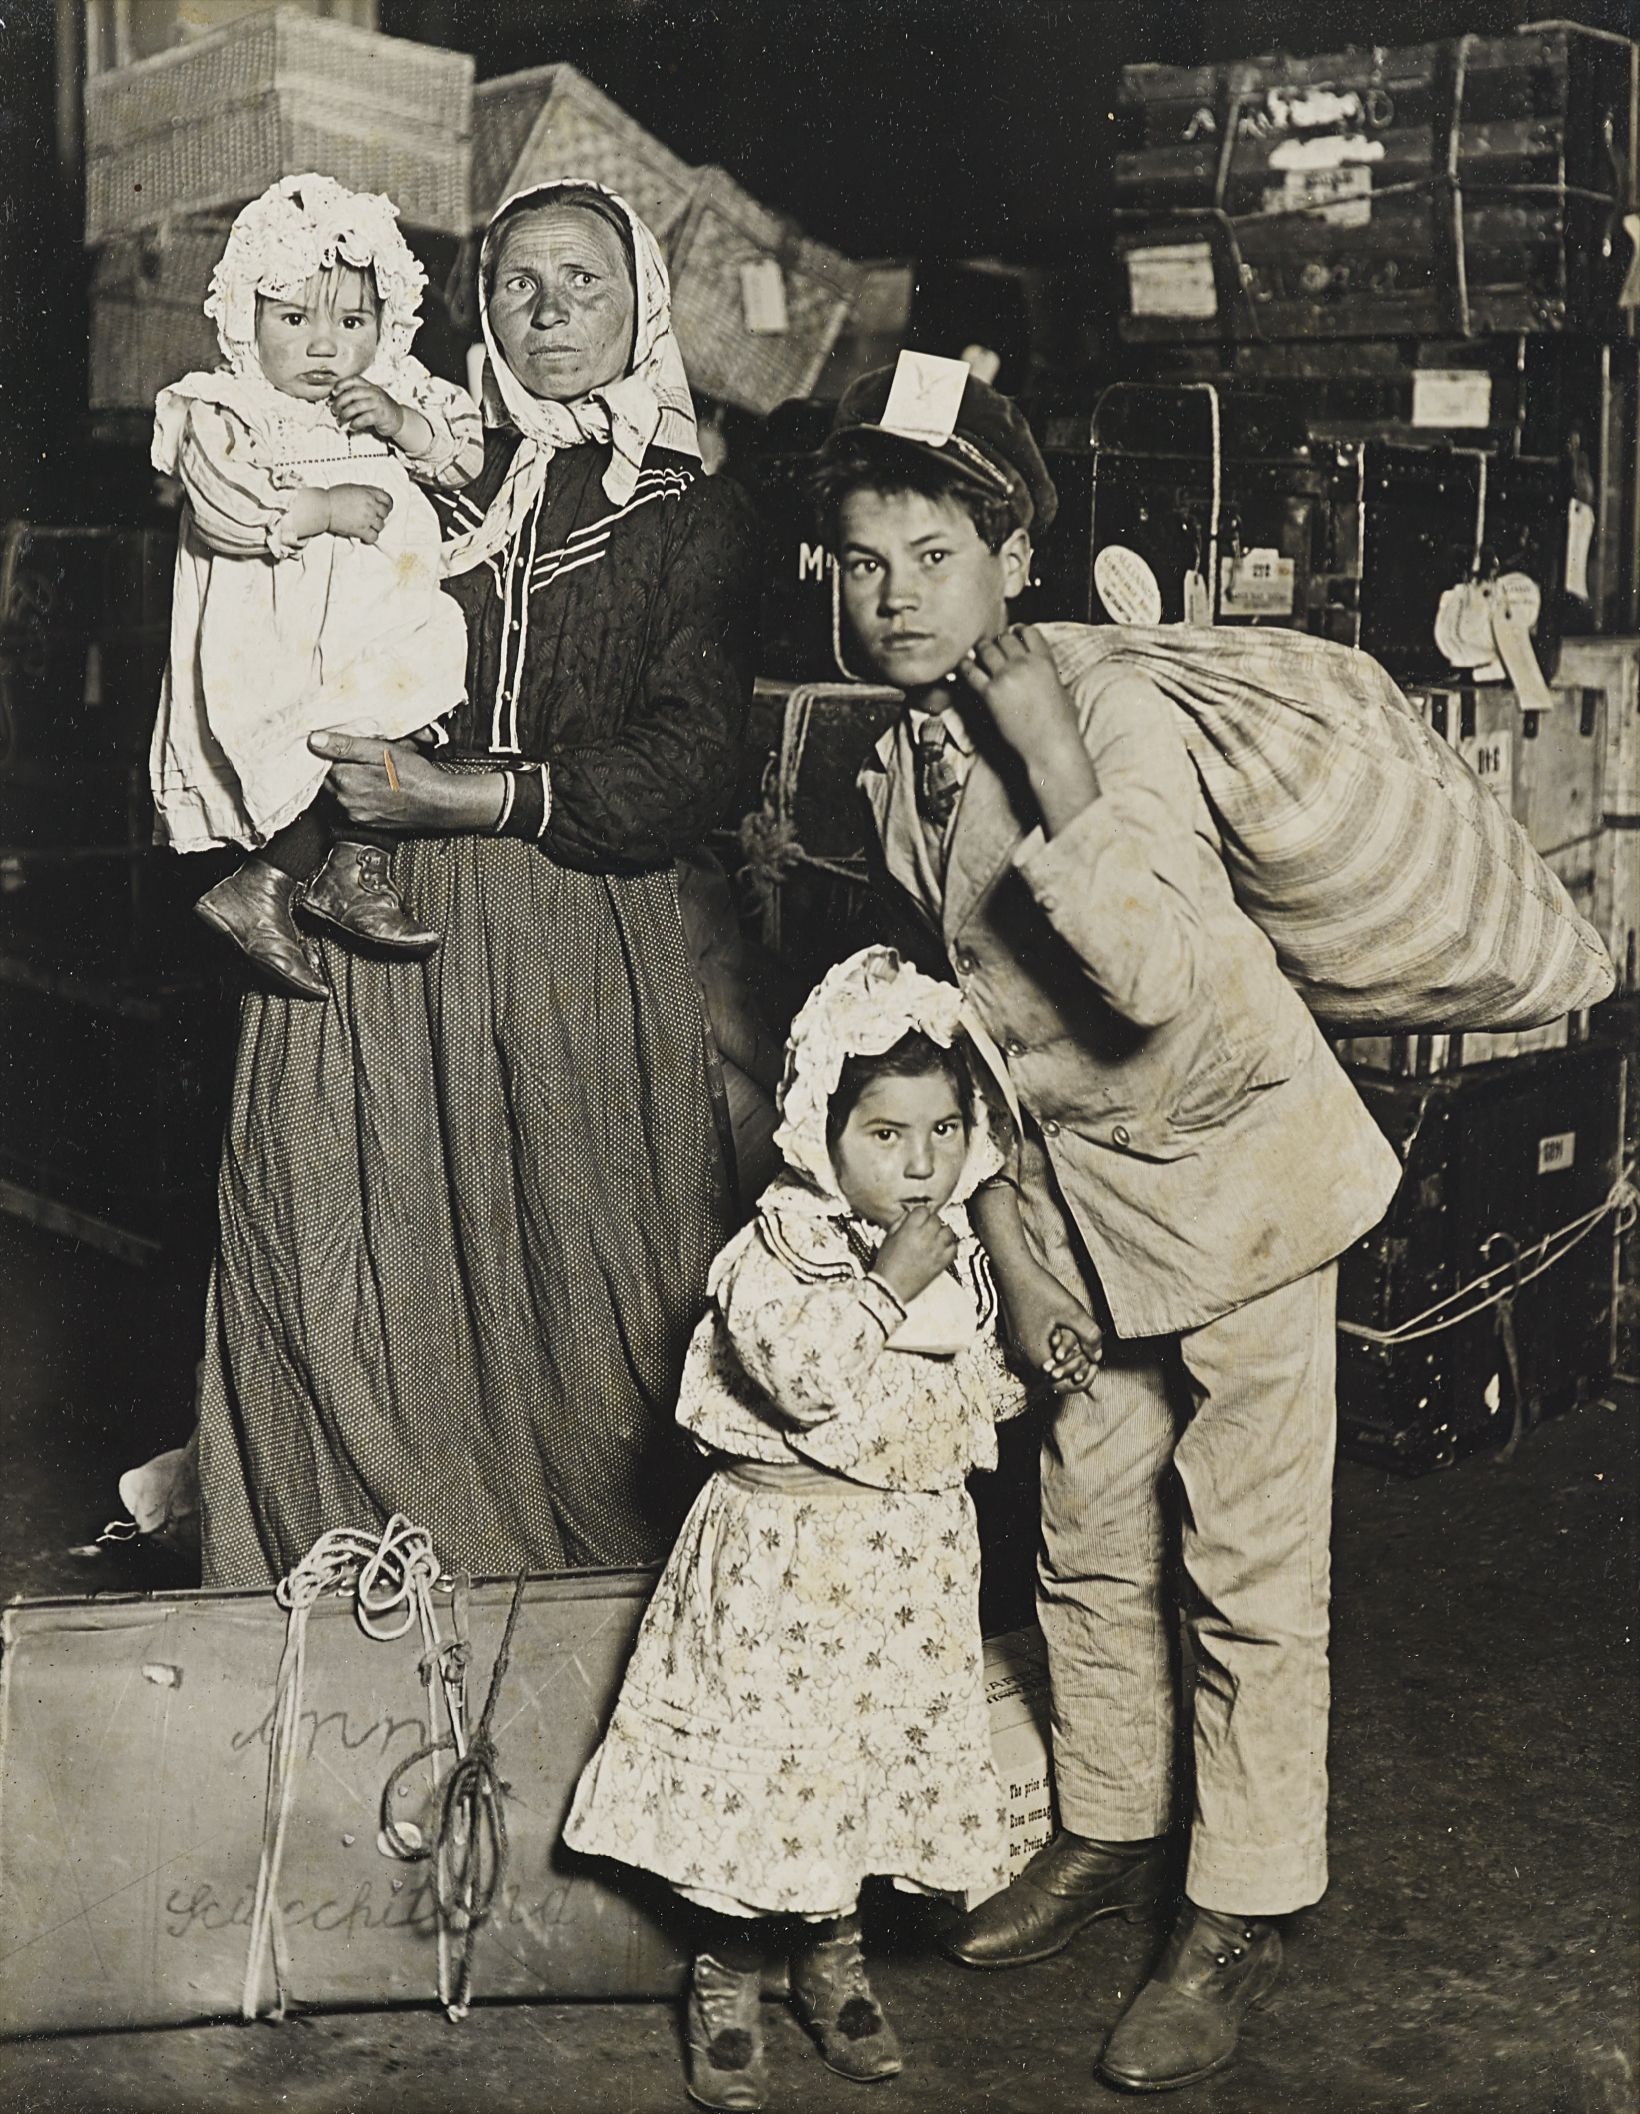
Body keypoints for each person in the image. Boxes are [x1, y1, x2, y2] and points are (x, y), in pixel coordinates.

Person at [810, 358, 1403, 2092]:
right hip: (1071, 1205)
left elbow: (1144, 969)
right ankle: (1113, 1819)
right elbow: (966, 1036)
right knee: (1079, 1526)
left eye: (932, 550)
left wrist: (1053, 750)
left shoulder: (1113, 705)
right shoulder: (893, 759)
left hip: (1238, 1181)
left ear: (1013, 550)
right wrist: (1005, 1241)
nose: (896, 592)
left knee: (1248, 1563)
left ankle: (1239, 1902)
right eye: (861, 560)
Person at [196, 179, 759, 1587]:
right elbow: (245, 455)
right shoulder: (425, 468)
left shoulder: (694, 513)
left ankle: (580, 1625)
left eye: (585, 278)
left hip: (567, 924)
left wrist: (465, 791)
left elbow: (691, 765)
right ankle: (356, 1596)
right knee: (341, 1256)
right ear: (480, 314)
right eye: (517, 283)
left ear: (644, 304)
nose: (552, 307)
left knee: (589, 1289)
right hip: (366, 918)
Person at [565, 945, 1062, 2111]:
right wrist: (884, 1285)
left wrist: (1032, 1363)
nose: (919, 1163)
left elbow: (964, 1396)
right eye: (884, 1135)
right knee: (772, 1771)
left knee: (856, 1767)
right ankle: (730, 1969)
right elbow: (803, 1378)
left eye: (941, 1131)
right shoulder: (775, 1251)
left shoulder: (958, 1256)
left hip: (900, 1570)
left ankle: (830, 1955)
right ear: (819, 1129)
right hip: (784, 1567)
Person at [151, 174, 484, 995]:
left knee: (403, 714)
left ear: (388, 324)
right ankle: (267, 879)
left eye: (352, 321)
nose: (325, 347)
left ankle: (342, 872)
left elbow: (470, 459)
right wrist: (319, 507)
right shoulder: (227, 407)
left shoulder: (393, 390)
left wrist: (404, 425)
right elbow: (223, 508)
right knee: (311, 746)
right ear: (246, 319)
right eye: (294, 320)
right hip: (281, 626)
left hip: (381, 617)